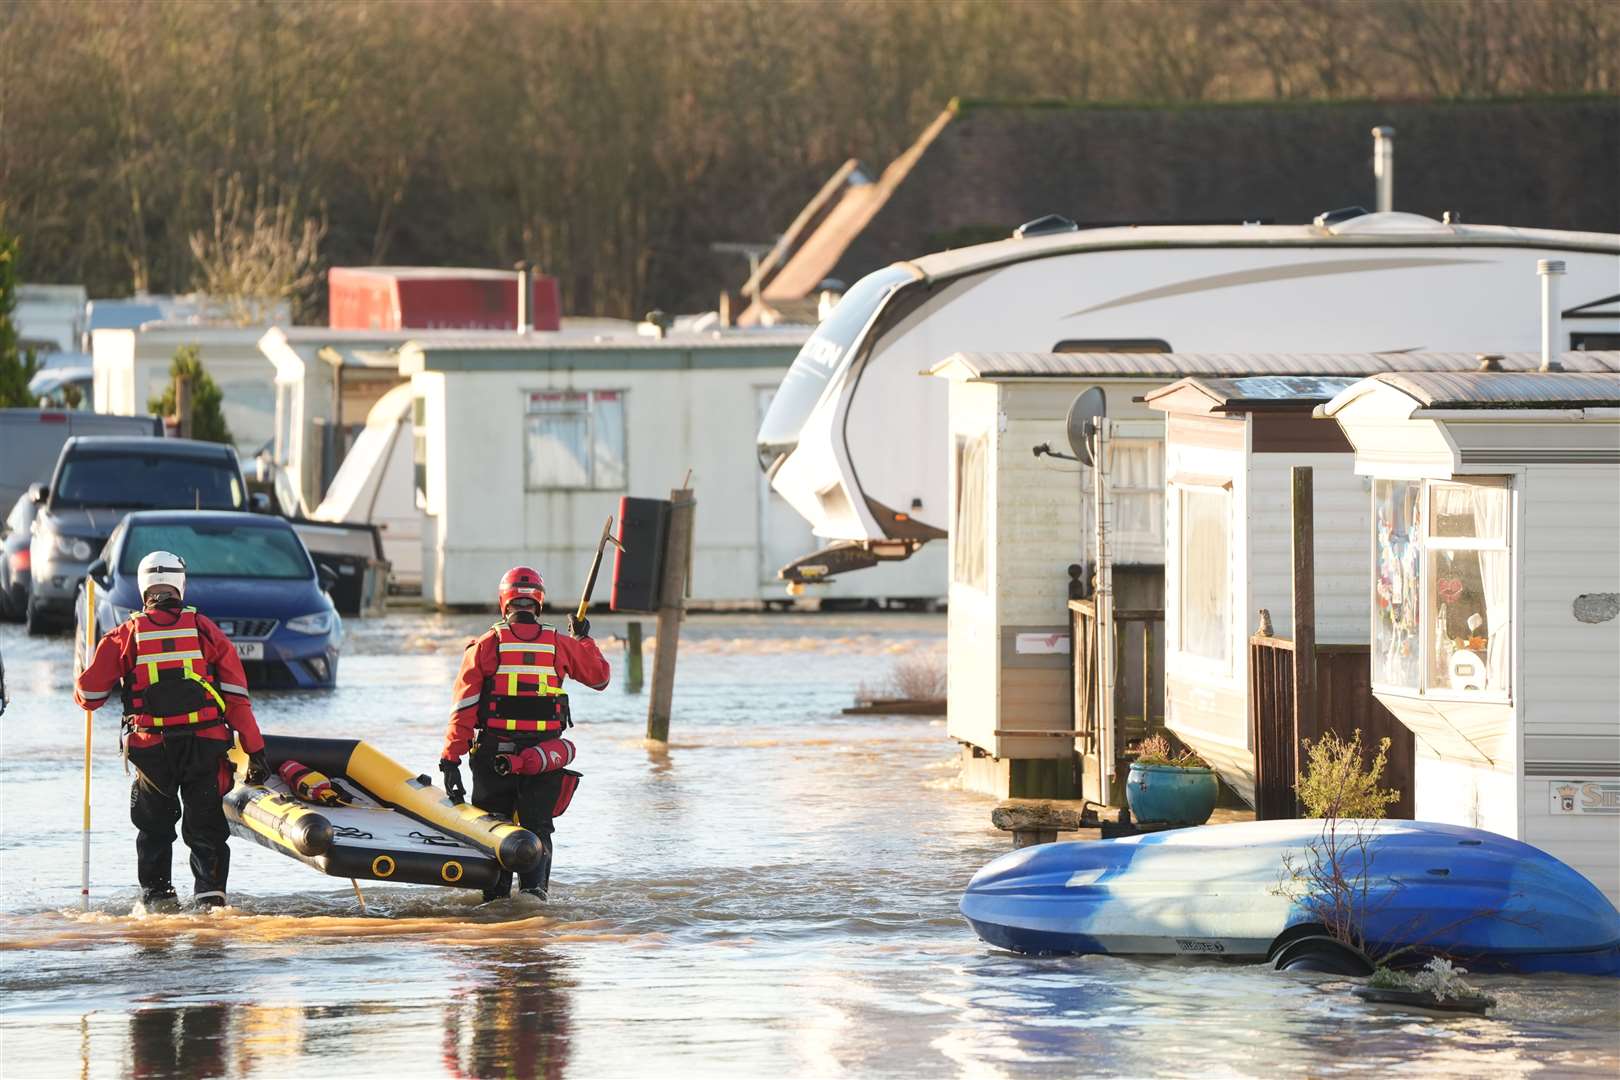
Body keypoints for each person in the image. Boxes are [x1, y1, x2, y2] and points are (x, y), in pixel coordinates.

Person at [75, 551, 269, 910]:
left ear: (142, 587)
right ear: (181, 583)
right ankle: (211, 902)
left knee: (154, 829)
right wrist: (255, 748)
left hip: (151, 751)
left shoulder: (125, 635)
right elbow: (238, 699)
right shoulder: (206, 630)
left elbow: (88, 697)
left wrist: (84, 661)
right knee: (207, 829)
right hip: (205, 746)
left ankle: (158, 901)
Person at [439, 565, 609, 901]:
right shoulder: (561, 644)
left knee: (493, 827)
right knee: (538, 829)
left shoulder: (485, 646)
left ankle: (495, 902)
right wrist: (583, 639)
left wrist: (450, 759)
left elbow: (464, 709)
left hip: (493, 757)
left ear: (504, 603)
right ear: (539, 603)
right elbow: (600, 677)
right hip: (543, 758)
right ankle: (535, 900)